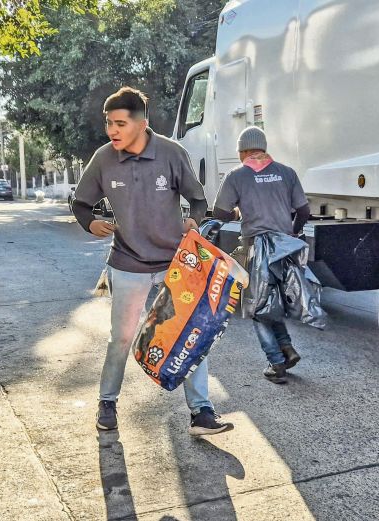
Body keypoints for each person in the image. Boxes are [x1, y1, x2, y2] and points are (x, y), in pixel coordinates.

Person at [72, 86, 233, 436]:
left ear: (142, 123)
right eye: (108, 124)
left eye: (119, 123)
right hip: (127, 261)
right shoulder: (103, 158)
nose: (112, 130)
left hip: (174, 264)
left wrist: (195, 219)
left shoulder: (172, 154)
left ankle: (201, 412)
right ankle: (108, 402)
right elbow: (81, 203)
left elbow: (197, 199)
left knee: (191, 332)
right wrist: (91, 222)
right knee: (122, 337)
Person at [212, 126, 311, 384]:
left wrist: (238, 213)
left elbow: (219, 212)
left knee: (258, 306)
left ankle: (276, 362)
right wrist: (293, 233)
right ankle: (287, 349)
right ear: (264, 148)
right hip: (284, 248)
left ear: (243, 150)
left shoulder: (237, 175)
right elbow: (303, 210)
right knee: (273, 302)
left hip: (257, 247)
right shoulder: (287, 173)